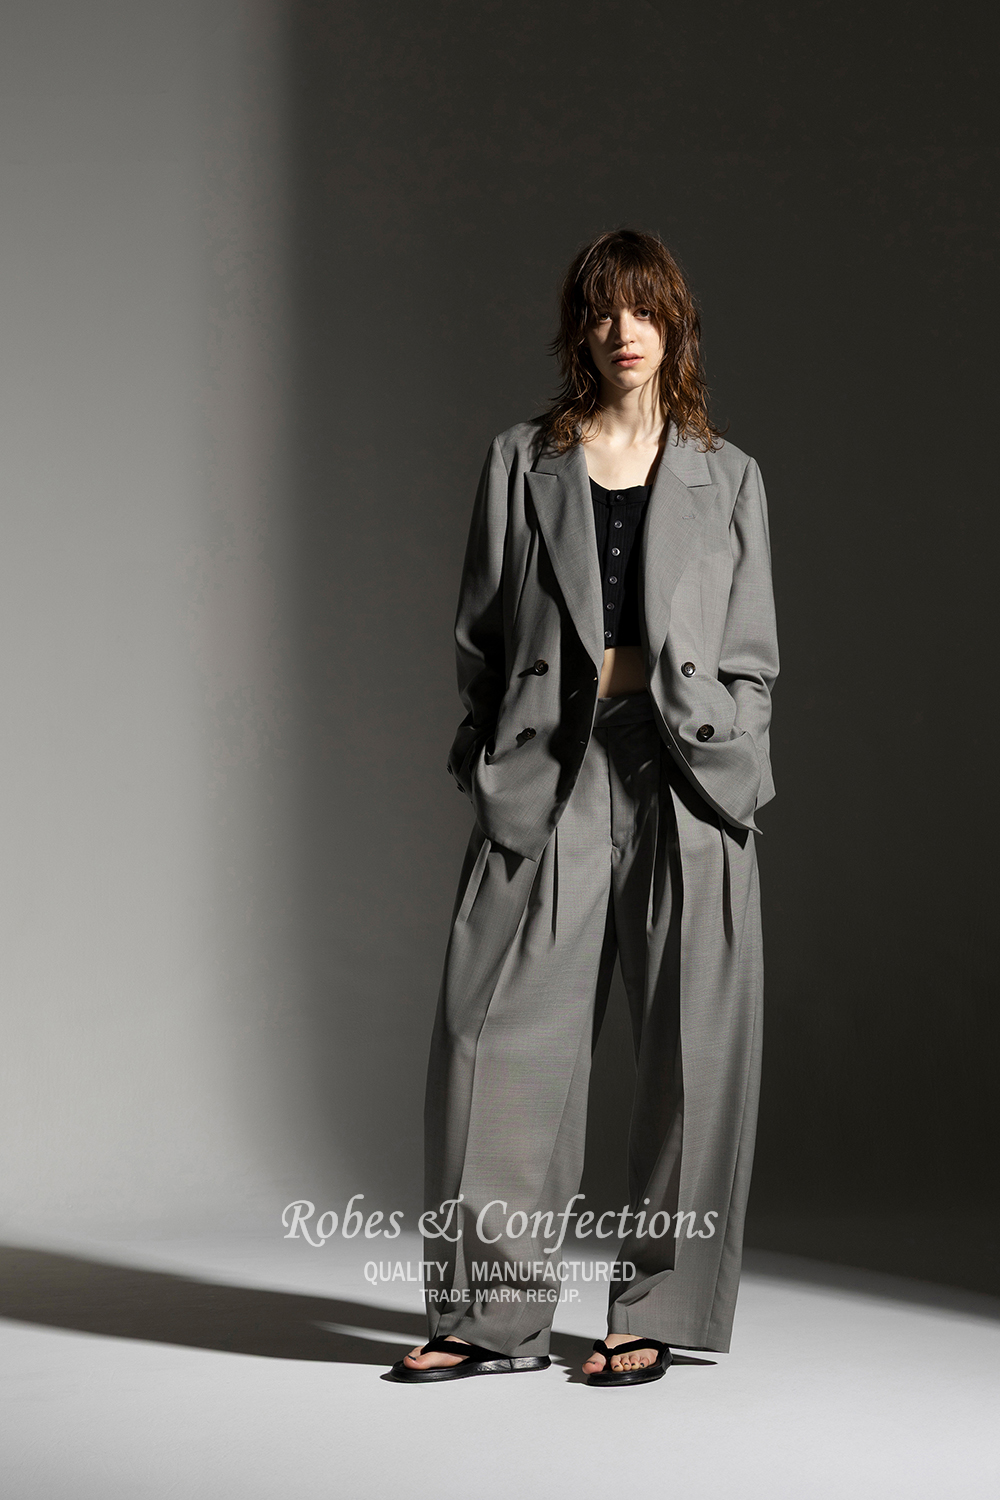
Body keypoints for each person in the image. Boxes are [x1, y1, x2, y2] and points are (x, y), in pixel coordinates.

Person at [389, 228, 778, 1387]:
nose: (623, 332)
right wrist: (488, 754)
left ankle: (657, 1305)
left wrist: (739, 759)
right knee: (493, 1041)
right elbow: (480, 633)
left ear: (675, 325)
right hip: (550, 767)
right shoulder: (522, 461)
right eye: (603, 311)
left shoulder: (729, 475)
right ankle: (490, 1318)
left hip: (684, 774)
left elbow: (751, 655)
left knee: (694, 1052)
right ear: (579, 330)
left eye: (644, 310)